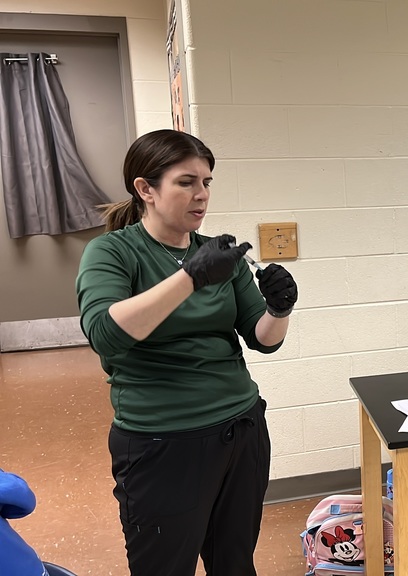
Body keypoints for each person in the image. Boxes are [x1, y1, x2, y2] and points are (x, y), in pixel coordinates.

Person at [76, 129, 298, 576]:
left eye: (208, 182)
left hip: (241, 429)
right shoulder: (113, 253)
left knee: (234, 563)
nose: (202, 195)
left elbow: (263, 338)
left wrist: (280, 307)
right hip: (162, 443)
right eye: (186, 182)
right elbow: (105, 332)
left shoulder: (216, 255)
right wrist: (190, 278)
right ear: (145, 189)